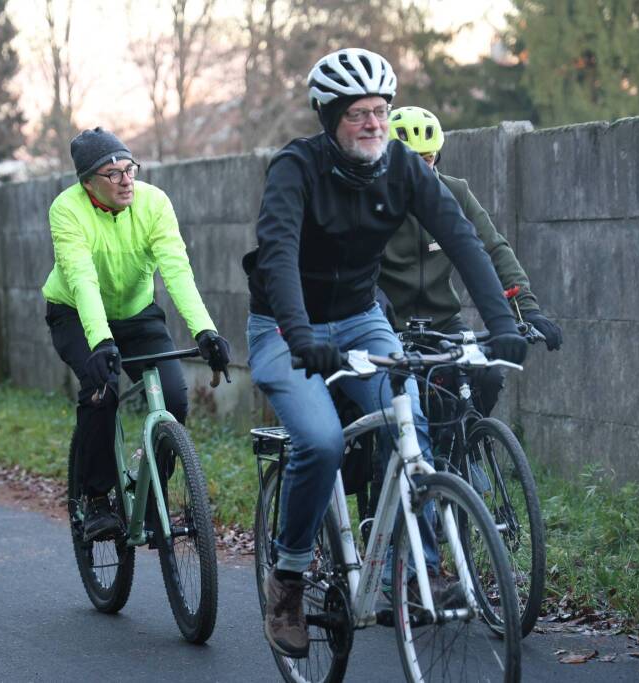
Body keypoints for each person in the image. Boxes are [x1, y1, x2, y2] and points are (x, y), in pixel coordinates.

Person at [242, 48, 528, 658]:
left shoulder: (402, 166)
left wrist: (502, 323)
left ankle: (417, 574)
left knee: (412, 422)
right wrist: (299, 336)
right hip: (282, 327)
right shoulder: (296, 168)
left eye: (380, 111)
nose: (373, 124)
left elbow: (464, 239)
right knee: (320, 441)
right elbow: (278, 257)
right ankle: (288, 580)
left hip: (361, 318)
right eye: (357, 115)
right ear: (329, 120)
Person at [42, 128, 230, 542]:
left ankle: (152, 496)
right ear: (88, 182)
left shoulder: (153, 202)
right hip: (75, 313)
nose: (127, 180)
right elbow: (81, 279)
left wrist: (205, 330)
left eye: (130, 169)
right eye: (113, 174)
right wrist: (101, 342)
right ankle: (96, 500)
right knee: (101, 388)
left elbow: (177, 271)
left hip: (136, 314)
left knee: (175, 399)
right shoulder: (66, 210)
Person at [381, 105, 563, 415]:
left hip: (444, 321)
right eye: (412, 160)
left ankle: (466, 453)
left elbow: (493, 249)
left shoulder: (455, 192)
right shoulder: (375, 198)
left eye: (427, 159)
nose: (421, 170)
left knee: (487, 375)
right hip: (387, 324)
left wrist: (528, 309)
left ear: (437, 156)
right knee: (399, 404)